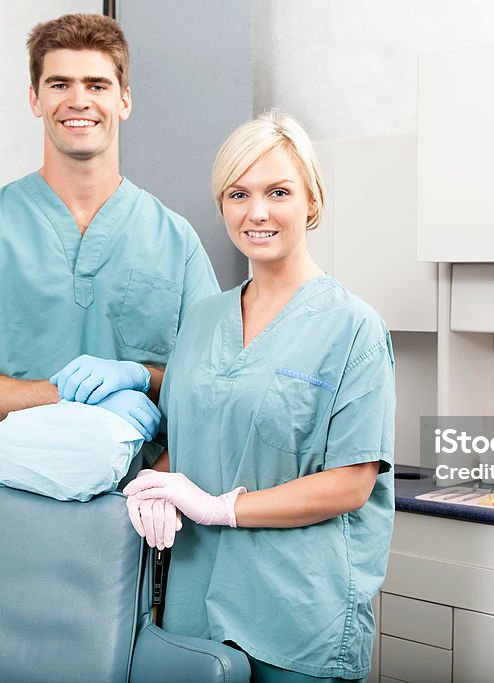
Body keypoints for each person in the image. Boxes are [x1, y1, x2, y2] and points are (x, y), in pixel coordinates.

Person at [0, 14, 219, 546]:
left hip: (133, 513)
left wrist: (137, 376)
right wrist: (67, 397)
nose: (78, 100)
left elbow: (208, 389)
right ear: (35, 98)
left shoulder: (175, 240)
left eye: (97, 85)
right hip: (11, 510)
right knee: (7, 634)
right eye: (60, 84)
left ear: (124, 99)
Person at [124, 111, 396, 683]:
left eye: (278, 192)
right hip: (194, 610)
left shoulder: (353, 327)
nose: (257, 212)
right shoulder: (201, 322)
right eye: (238, 193)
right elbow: (187, 441)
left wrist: (223, 508)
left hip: (298, 614)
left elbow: (351, 483)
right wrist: (157, 487)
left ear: (312, 202)